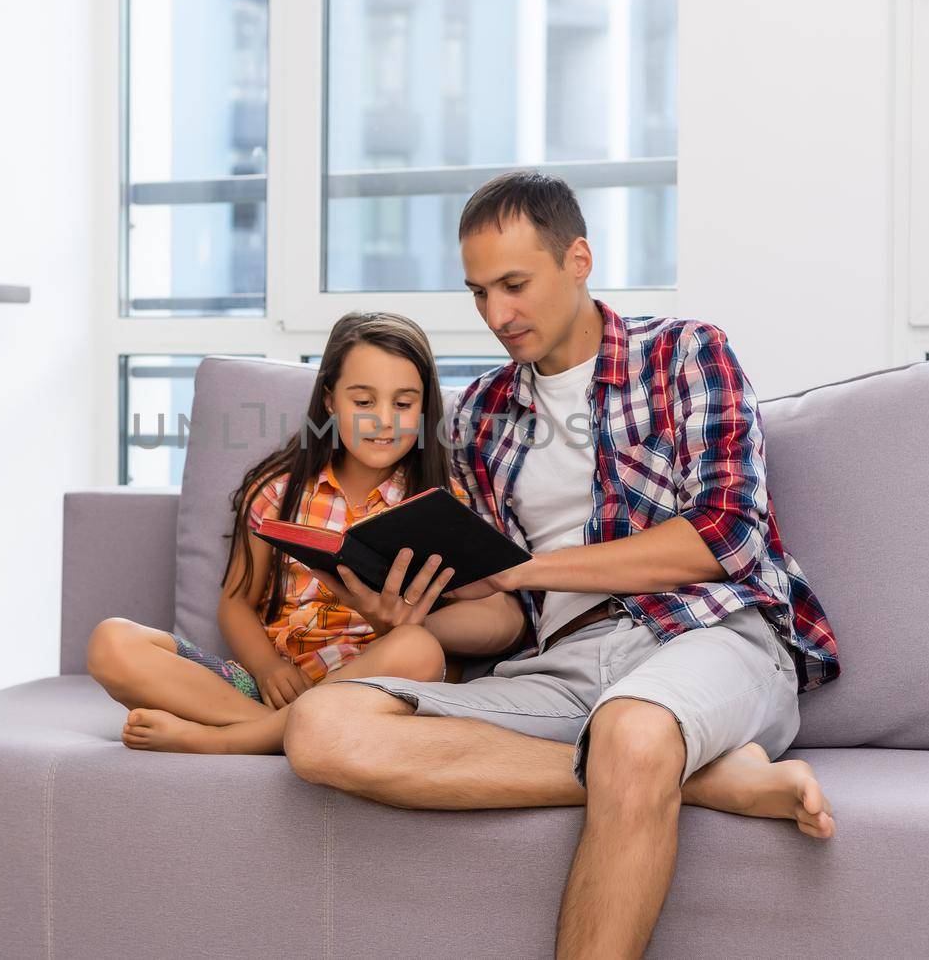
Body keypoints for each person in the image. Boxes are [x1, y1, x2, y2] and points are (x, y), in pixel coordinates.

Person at [281, 171, 843, 959]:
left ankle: (646, 759)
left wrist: (536, 570)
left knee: (634, 730)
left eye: (515, 284)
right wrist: (412, 614)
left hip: (707, 633)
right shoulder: (480, 412)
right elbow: (508, 615)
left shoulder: (685, 353)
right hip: (565, 663)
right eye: (479, 293)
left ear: (577, 258)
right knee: (321, 727)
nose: (497, 315)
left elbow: (727, 536)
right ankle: (697, 774)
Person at [86, 310, 524, 756]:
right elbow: (236, 602)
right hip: (277, 687)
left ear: (424, 406)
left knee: (418, 648)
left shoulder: (441, 500)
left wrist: (405, 621)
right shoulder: (278, 491)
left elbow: (501, 617)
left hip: (372, 689)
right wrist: (268, 668)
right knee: (112, 641)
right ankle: (272, 729)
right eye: (364, 401)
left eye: (403, 403)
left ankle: (230, 739)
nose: (384, 421)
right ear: (331, 401)